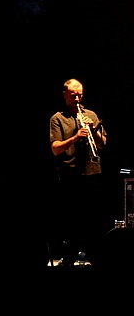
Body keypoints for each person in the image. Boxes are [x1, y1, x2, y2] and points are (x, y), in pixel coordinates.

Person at [49, 78, 108, 267]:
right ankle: (70, 257)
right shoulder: (58, 118)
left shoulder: (90, 114)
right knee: (72, 219)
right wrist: (75, 137)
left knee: (93, 218)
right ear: (65, 94)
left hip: (92, 171)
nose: (77, 98)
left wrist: (94, 129)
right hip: (70, 172)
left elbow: (103, 144)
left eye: (80, 94)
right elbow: (55, 148)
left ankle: (95, 255)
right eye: (74, 94)